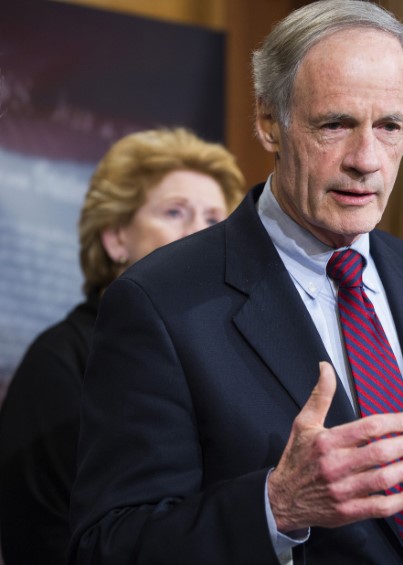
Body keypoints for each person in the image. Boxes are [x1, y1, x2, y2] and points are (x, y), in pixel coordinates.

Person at [67, 2, 403, 564]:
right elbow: (106, 545)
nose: (366, 160)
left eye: (389, 126)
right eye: (335, 124)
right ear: (269, 122)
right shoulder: (161, 303)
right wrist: (276, 506)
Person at [0, 127, 245, 565]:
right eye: (175, 212)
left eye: (213, 219)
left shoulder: (230, 355)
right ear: (115, 238)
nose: (201, 233)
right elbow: (43, 540)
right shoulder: (59, 360)